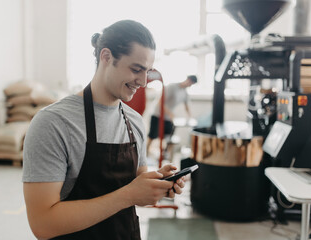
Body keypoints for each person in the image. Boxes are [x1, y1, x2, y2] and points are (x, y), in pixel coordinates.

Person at [22, 20, 185, 240]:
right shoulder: (54, 123)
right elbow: (43, 224)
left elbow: (139, 188)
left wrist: (158, 184)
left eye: (147, 72)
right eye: (136, 69)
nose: (144, 82)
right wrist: (127, 195)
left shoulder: (134, 121)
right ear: (106, 57)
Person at [146, 75, 197, 154]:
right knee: (152, 135)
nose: (190, 85)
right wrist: (170, 114)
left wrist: (190, 117)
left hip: (168, 117)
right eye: (190, 83)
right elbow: (161, 102)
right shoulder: (172, 87)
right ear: (188, 80)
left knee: (169, 137)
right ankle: (146, 153)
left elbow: (187, 107)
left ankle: (166, 155)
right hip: (158, 113)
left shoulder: (185, 93)